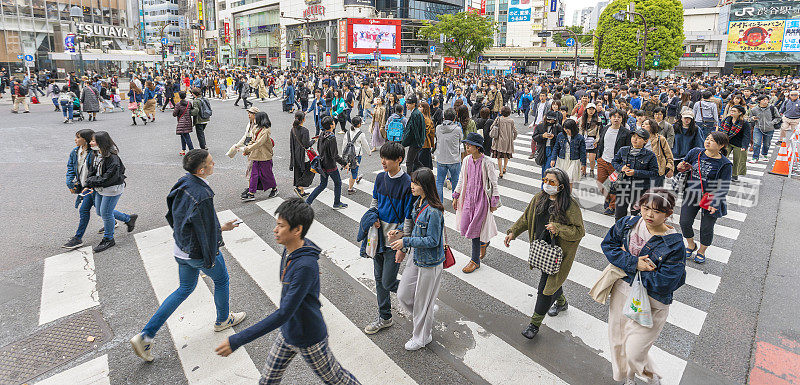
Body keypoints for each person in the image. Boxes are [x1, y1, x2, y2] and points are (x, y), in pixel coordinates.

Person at [213, 198, 361, 385]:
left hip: (309, 338)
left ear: (297, 230)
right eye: (277, 224)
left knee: (338, 380)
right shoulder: (291, 249)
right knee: (268, 380)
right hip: (288, 332)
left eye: (281, 226)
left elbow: (284, 313)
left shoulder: (305, 266)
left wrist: (237, 340)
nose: (275, 230)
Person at [130, 149, 246, 362]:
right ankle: (223, 320)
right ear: (202, 169)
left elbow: (172, 214)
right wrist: (221, 233)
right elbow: (206, 230)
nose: (214, 164)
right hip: (198, 251)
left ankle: (146, 335)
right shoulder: (203, 195)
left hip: (181, 249)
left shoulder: (183, 182)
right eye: (211, 162)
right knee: (221, 280)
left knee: (184, 289)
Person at [600, 188, 685, 385]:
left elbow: (667, 281)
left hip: (652, 301)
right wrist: (635, 263)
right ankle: (629, 377)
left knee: (634, 349)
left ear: (668, 214)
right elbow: (608, 245)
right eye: (645, 208)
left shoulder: (674, 244)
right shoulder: (628, 224)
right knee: (619, 341)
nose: (649, 214)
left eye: (656, 211)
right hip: (621, 291)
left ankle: (650, 376)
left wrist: (629, 265)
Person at [505, 167, 585, 339]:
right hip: (542, 251)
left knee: (545, 289)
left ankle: (534, 324)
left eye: (552, 182)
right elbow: (526, 218)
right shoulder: (539, 198)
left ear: (561, 186)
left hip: (559, 255)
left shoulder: (570, 205)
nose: (547, 184)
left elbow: (579, 231)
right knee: (552, 282)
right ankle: (562, 302)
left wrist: (559, 228)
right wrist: (512, 232)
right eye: (545, 180)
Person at [390, 168, 445, 351]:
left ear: (425, 186)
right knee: (403, 294)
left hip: (430, 262)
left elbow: (433, 240)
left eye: (416, 183)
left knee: (422, 302)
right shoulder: (418, 203)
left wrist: (405, 241)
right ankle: (427, 312)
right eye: (412, 182)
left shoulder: (434, 211)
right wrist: (399, 232)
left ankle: (422, 338)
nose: (411, 186)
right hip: (417, 256)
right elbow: (414, 228)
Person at [363, 142, 414, 335]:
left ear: (399, 159)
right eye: (382, 157)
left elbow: (408, 217)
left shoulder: (407, 183)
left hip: (395, 240)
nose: (383, 161)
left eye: (387, 158)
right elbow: (375, 201)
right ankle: (385, 317)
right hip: (377, 238)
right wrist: (374, 215)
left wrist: (403, 245)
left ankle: (419, 297)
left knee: (388, 282)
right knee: (378, 279)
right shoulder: (380, 178)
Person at [677, 131, 732, 264]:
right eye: (707, 139)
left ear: (721, 145)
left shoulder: (725, 164)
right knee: (684, 222)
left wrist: (715, 202)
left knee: (706, 228)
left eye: (712, 140)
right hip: (691, 193)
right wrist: (680, 167)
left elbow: (723, 186)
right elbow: (682, 166)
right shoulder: (696, 152)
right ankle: (691, 245)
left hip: (710, 198)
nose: (707, 142)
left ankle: (701, 251)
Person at [453, 132, 499, 274]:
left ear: (478, 147)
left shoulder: (487, 162)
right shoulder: (466, 160)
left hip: (481, 200)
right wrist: (456, 195)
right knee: (468, 226)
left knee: (474, 230)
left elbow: (493, 183)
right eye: (466, 144)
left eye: (470, 144)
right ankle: (484, 243)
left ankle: (474, 261)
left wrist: (494, 201)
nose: (467, 146)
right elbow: (461, 179)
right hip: (468, 199)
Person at [84, 131, 137, 253]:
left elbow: (108, 178)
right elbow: (92, 171)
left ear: (101, 143)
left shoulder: (112, 157)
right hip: (99, 187)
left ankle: (108, 238)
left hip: (112, 188)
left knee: (106, 213)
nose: (90, 143)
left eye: (93, 141)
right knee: (100, 211)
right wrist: (88, 184)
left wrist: (91, 181)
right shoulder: (95, 154)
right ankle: (128, 219)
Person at [611, 128, 659, 220]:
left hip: (640, 189)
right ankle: (619, 233)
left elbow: (654, 172)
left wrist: (635, 172)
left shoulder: (650, 155)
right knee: (619, 215)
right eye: (633, 136)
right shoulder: (623, 150)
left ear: (646, 141)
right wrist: (622, 168)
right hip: (623, 187)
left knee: (636, 215)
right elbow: (614, 162)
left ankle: (634, 233)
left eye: (639, 138)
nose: (635, 139)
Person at [63, 129, 98, 249]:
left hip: (92, 187)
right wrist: (70, 182)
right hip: (84, 186)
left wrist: (90, 185)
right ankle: (126, 219)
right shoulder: (75, 151)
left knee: (84, 210)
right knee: (102, 210)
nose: (75, 139)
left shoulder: (93, 154)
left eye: (78, 137)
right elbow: (71, 167)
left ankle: (78, 238)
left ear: (86, 140)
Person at [305, 116, 349, 209]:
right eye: (333, 122)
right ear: (331, 125)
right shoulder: (331, 137)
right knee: (337, 183)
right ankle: (337, 203)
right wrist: (344, 163)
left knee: (322, 184)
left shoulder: (322, 134)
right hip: (331, 166)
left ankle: (308, 202)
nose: (334, 123)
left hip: (322, 164)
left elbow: (318, 148)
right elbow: (335, 155)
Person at [596, 109, 633, 216]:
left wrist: (624, 163)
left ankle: (612, 206)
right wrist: (599, 157)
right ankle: (607, 199)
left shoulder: (626, 132)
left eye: (619, 117)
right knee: (601, 182)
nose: (616, 119)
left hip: (616, 163)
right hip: (603, 160)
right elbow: (601, 143)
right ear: (610, 118)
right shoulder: (605, 128)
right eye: (614, 116)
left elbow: (628, 149)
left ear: (622, 119)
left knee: (614, 186)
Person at [242, 111, 278, 201]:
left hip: (265, 156)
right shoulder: (256, 128)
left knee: (267, 174)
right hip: (256, 155)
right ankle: (251, 193)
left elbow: (259, 143)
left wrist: (248, 149)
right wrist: (247, 148)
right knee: (254, 174)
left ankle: (274, 188)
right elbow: (253, 140)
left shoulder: (266, 131)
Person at [227, 106, 261, 199]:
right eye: (248, 113)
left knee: (251, 169)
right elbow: (246, 136)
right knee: (258, 170)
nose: (249, 115)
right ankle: (254, 187)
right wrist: (238, 145)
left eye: (251, 113)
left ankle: (251, 189)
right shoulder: (249, 123)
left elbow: (256, 141)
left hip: (255, 150)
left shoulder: (259, 125)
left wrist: (244, 149)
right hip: (249, 148)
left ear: (255, 115)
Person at [434, 108, 464, 200]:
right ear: (454, 118)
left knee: (439, 182)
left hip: (441, 158)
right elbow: (460, 141)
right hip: (454, 159)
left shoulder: (438, 128)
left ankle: (439, 202)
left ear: (444, 117)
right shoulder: (457, 129)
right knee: (455, 181)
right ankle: (455, 200)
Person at [550, 119, 587, 188]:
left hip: (574, 160)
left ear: (573, 128)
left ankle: (568, 196)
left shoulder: (579, 137)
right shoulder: (560, 135)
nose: (566, 131)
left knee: (570, 179)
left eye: (568, 129)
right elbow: (556, 147)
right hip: (562, 159)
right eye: (564, 128)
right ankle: (561, 195)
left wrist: (583, 164)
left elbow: (582, 151)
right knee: (561, 179)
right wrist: (553, 159)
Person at [720, 104, 751, 182]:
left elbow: (746, 135)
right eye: (731, 110)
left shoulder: (744, 123)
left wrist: (744, 146)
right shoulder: (727, 119)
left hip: (739, 143)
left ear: (740, 113)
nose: (732, 112)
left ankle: (734, 175)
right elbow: (721, 130)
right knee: (723, 157)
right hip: (727, 141)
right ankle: (721, 173)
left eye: (734, 111)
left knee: (737, 160)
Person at [748, 95, 782, 163]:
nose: (765, 101)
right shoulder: (754, 109)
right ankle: (755, 157)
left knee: (767, 143)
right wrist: (752, 118)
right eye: (764, 100)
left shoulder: (772, 108)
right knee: (757, 143)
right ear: (759, 101)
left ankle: (764, 154)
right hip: (758, 128)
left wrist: (772, 123)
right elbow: (750, 118)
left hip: (769, 128)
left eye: (767, 99)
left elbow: (778, 117)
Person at [290, 110, 315, 198]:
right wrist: (313, 141)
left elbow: (291, 144)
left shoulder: (293, 129)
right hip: (303, 155)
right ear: (303, 119)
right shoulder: (305, 130)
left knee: (299, 171)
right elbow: (306, 145)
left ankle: (301, 191)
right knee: (310, 171)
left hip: (296, 154)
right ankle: (299, 187)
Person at [642, 119, 674, 188]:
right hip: (643, 171)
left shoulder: (660, 139)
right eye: (642, 124)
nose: (643, 125)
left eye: (646, 124)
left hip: (658, 171)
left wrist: (670, 168)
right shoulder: (640, 139)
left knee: (656, 194)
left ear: (652, 126)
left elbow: (669, 155)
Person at [345, 116, 372, 194]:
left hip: (348, 154)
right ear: (359, 124)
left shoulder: (348, 132)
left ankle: (356, 179)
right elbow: (365, 144)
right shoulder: (361, 134)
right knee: (354, 169)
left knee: (354, 168)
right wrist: (369, 152)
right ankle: (350, 189)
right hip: (357, 155)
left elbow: (344, 144)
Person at [489, 106, 518, 179]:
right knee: (506, 155)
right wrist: (513, 138)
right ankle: (504, 168)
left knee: (499, 157)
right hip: (508, 141)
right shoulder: (511, 121)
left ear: (501, 112)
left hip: (499, 141)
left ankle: (500, 172)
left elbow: (491, 127)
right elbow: (515, 131)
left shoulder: (498, 119)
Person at [532, 111, 564, 176]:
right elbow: (534, 137)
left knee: (548, 168)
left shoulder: (558, 127)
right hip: (542, 149)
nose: (550, 121)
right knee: (543, 166)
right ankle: (544, 183)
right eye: (549, 119)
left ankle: (546, 182)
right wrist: (542, 136)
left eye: (552, 120)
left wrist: (554, 137)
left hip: (552, 149)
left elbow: (562, 138)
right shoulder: (540, 126)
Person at [402, 95, 425, 174]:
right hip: (417, 142)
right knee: (415, 161)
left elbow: (414, 131)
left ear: (414, 104)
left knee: (409, 162)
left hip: (415, 142)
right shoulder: (415, 113)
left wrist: (404, 143)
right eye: (407, 103)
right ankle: (427, 173)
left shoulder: (415, 114)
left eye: (409, 103)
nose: (407, 104)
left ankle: (409, 180)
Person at [580, 103, 602, 178]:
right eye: (589, 109)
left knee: (592, 158)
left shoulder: (598, 119)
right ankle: (583, 171)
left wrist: (597, 141)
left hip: (593, 139)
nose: (591, 111)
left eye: (593, 109)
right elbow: (579, 129)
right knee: (583, 157)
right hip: (583, 139)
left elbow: (599, 131)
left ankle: (592, 170)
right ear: (586, 110)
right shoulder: (582, 119)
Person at [173, 91, 194, 156]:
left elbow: (174, 114)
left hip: (181, 121)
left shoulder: (178, 104)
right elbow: (191, 110)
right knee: (183, 135)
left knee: (186, 136)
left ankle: (192, 150)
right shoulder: (189, 103)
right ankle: (183, 149)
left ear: (179, 96)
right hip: (188, 120)